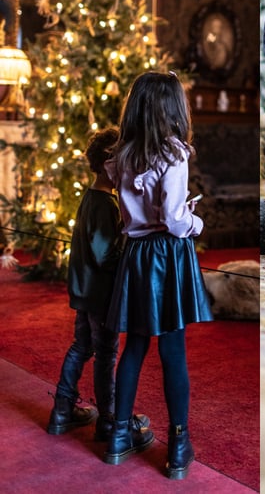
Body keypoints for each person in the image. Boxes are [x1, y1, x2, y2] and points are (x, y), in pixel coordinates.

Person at [102, 72, 210, 479]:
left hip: (137, 253)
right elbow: (174, 218)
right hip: (167, 253)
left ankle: (118, 435)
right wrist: (195, 224)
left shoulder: (123, 155)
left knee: (135, 346)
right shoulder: (175, 153)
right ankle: (178, 446)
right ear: (172, 109)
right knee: (172, 350)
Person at [48, 128, 149, 442]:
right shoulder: (107, 205)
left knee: (81, 347)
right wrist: (130, 236)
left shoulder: (91, 197)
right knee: (106, 355)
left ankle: (62, 411)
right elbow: (106, 255)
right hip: (100, 295)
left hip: (83, 289)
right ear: (110, 164)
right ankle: (109, 418)